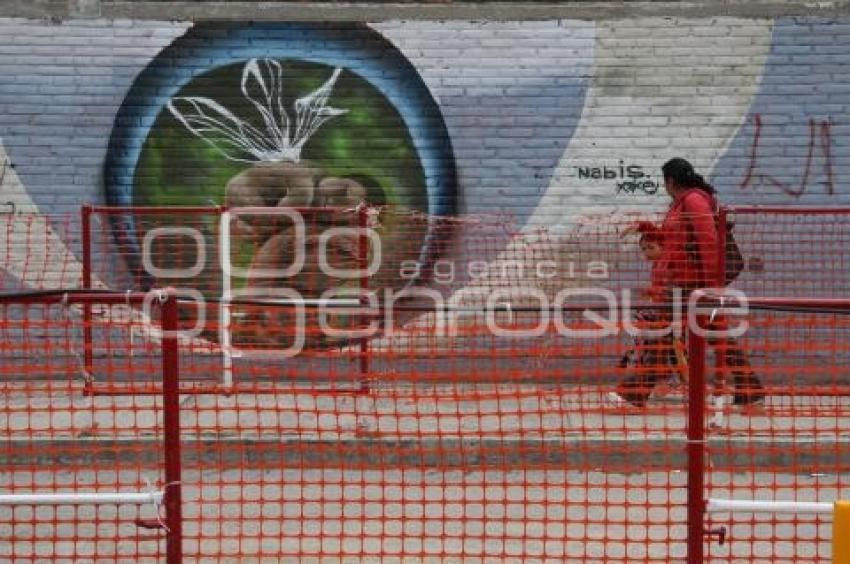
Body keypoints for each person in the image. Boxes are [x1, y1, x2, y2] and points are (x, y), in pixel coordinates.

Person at [610, 157, 765, 408]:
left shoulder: (693, 201)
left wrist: (709, 287)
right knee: (718, 336)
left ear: (670, 181)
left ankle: (634, 393)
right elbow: (673, 240)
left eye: (664, 182)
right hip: (686, 284)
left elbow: (708, 243)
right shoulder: (680, 204)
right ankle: (751, 390)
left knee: (664, 333)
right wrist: (645, 227)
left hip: (692, 286)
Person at [611, 222, 687, 407]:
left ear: (663, 245)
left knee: (664, 356)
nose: (646, 252)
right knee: (672, 358)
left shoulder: (672, 260)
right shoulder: (658, 265)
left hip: (674, 318)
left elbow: (674, 292)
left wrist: (640, 226)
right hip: (664, 317)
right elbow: (663, 293)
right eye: (643, 248)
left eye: (651, 247)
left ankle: (632, 396)